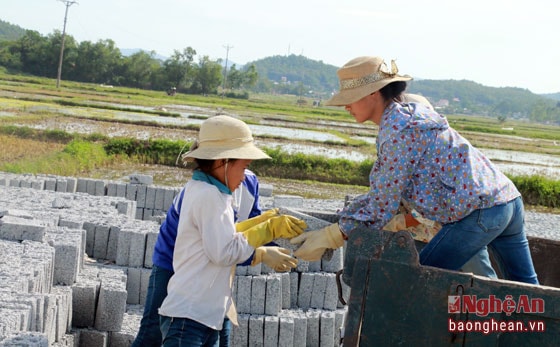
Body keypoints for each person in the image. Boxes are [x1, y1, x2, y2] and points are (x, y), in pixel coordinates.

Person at [291, 56, 538, 285]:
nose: (346, 107)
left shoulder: (398, 132)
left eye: (350, 98)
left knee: (418, 286)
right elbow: (383, 194)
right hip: (508, 201)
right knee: (529, 290)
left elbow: (381, 208)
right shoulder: (411, 117)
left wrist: (335, 235)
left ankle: (482, 331)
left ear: (373, 93)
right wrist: (342, 220)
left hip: (478, 213)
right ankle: (537, 332)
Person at [158, 115, 306, 346]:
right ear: (223, 162)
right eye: (244, 167)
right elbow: (223, 251)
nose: (245, 176)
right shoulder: (208, 196)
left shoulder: (213, 193)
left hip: (206, 314)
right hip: (190, 315)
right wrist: (265, 234)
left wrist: (258, 224)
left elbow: (222, 234)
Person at [131, 169, 267, 347]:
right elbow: (219, 248)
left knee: (219, 334)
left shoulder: (249, 181)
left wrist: (287, 242)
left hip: (216, 272)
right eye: (240, 166)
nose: (242, 175)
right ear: (223, 162)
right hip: (174, 263)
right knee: (152, 334)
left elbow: (251, 226)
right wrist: (257, 254)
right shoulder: (204, 192)